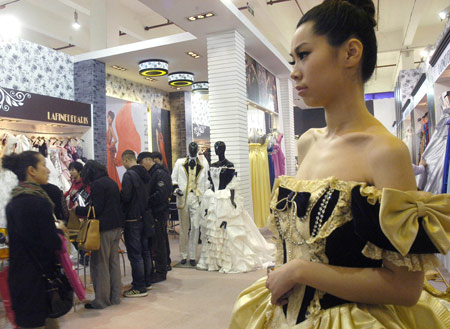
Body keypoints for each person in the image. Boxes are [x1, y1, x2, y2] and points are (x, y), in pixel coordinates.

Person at [230, 1, 450, 328]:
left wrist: (301, 271)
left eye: (304, 55)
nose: (293, 71)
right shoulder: (307, 143)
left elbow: (406, 287)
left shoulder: (386, 152)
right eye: (293, 59)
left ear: (350, 53)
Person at [3, 151, 64, 329]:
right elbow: (52, 243)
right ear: (31, 170)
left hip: (20, 278)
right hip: (38, 281)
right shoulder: (40, 203)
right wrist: (60, 232)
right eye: (43, 165)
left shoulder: (14, 202)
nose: (48, 170)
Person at [197, 141, 275, 273]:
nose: (217, 150)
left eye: (219, 148)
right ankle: (215, 261)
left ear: (224, 149)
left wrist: (232, 201)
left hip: (225, 200)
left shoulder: (229, 165)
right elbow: (210, 183)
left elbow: (232, 185)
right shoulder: (212, 165)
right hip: (213, 200)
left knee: (228, 230)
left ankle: (229, 260)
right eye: (215, 148)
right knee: (213, 231)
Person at [74, 160, 123, 309]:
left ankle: (101, 300)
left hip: (104, 228)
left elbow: (96, 209)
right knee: (113, 263)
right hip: (117, 227)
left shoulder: (97, 185)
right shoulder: (110, 182)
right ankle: (115, 297)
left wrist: (78, 211)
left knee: (100, 264)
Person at [121, 150, 152, 297]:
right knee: (145, 251)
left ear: (126, 160)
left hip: (132, 218)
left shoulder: (129, 175)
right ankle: (146, 281)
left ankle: (139, 287)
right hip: (144, 216)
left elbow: (126, 197)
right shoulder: (146, 174)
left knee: (135, 254)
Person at [171, 142, 209, 266]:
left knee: (196, 226)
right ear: (188, 149)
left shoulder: (203, 163)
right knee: (183, 227)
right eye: (191, 148)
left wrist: (204, 196)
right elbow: (174, 179)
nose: (193, 150)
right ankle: (183, 254)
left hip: (197, 198)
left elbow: (206, 181)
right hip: (183, 198)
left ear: (197, 150)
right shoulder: (179, 162)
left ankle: (192, 255)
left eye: (195, 148)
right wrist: (176, 189)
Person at [137, 152, 172, 283]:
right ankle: (159, 268)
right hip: (154, 213)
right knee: (156, 242)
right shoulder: (153, 173)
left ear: (147, 160)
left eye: (141, 163)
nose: (141, 166)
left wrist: (146, 201)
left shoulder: (160, 173)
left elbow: (161, 194)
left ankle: (161, 271)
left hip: (159, 212)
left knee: (159, 242)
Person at [106, 110, 121, 189]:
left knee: (110, 168)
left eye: (110, 118)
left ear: (112, 119)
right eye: (108, 117)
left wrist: (109, 146)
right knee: (110, 168)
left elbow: (115, 139)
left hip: (108, 152)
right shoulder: (109, 128)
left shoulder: (111, 128)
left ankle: (112, 185)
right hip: (108, 151)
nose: (108, 119)